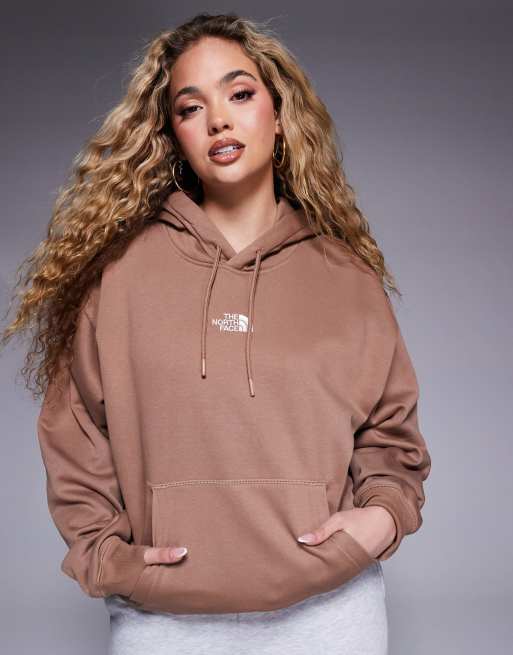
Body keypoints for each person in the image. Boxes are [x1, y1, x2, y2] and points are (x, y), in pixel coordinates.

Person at [2, 11, 432, 655]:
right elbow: (75, 435)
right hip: (164, 622)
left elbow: (390, 433)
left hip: (330, 615)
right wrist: (110, 559)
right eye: (191, 107)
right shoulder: (119, 276)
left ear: (280, 115)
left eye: (240, 94)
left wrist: (380, 519)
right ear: (172, 135)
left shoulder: (345, 278)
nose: (218, 121)